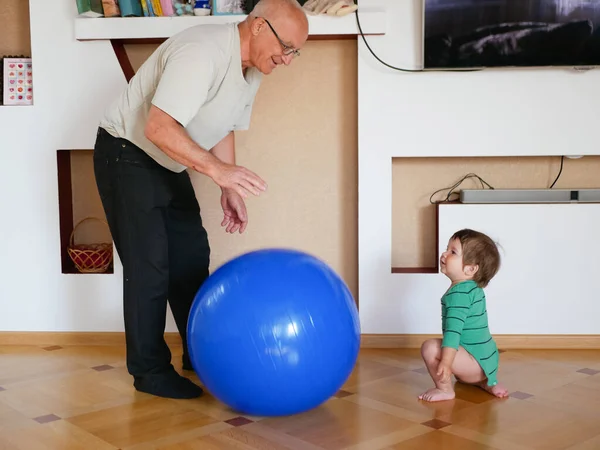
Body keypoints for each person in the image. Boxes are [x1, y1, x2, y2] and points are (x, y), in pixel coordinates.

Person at [92, 0, 309, 399]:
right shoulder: (203, 52)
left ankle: (202, 351)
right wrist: (217, 171)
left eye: (295, 52)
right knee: (150, 268)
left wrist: (228, 186)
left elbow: (222, 126)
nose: (288, 59)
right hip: (127, 153)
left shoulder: (251, 71)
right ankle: (150, 371)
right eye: (287, 47)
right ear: (259, 26)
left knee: (191, 258)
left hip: (167, 161)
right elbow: (158, 127)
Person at [418, 229, 509, 402]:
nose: (444, 254)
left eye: (453, 252)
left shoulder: (459, 295)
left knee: (429, 347)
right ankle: (486, 381)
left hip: (474, 364)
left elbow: (453, 334)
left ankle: (444, 389)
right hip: (487, 361)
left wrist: (445, 363)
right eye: (447, 249)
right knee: (465, 346)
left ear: (470, 269)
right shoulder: (473, 289)